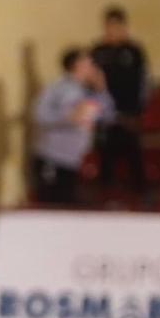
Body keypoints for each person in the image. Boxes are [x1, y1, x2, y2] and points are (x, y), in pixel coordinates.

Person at [31, 48, 109, 206]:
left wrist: (102, 90)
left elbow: (107, 114)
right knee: (51, 209)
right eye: (88, 62)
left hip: (73, 161)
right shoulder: (57, 88)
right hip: (53, 158)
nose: (93, 66)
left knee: (67, 210)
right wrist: (68, 117)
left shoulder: (89, 91)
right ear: (77, 65)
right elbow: (39, 114)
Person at [91, 6, 149, 198]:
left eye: (116, 26)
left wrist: (138, 111)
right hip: (105, 117)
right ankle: (105, 196)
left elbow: (143, 83)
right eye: (109, 26)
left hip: (128, 114)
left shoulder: (134, 51)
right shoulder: (98, 52)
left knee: (134, 157)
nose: (112, 31)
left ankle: (140, 196)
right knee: (105, 157)